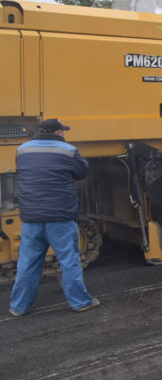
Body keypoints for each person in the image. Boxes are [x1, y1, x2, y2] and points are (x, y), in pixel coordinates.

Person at [9, 118, 99, 316]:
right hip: (60, 218)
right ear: (58, 133)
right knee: (69, 261)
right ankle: (79, 302)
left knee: (27, 263)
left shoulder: (22, 150)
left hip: (31, 218)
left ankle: (19, 307)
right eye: (62, 131)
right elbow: (82, 172)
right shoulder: (67, 150)